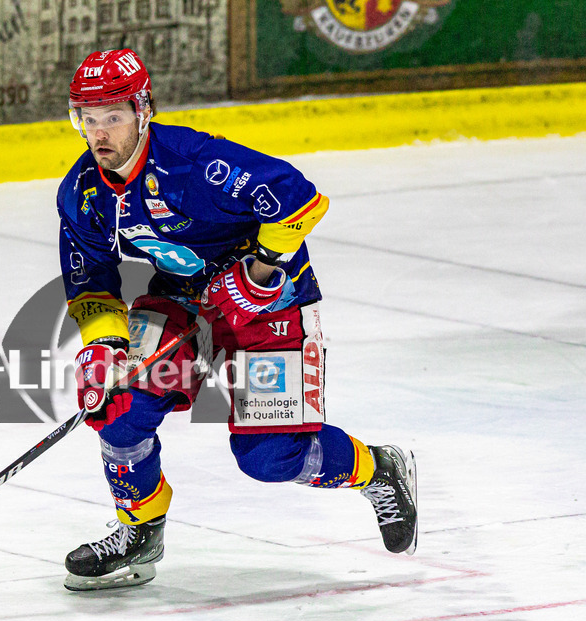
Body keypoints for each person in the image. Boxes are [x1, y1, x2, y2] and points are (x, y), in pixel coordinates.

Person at [56, 49, 418, 591]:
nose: (100, 132)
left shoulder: (194, 163)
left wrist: (261, 269)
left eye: (114, 116)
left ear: (142, 110)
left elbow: (300, 199)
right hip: (181, 298)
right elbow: (92, 281)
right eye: (89, 117)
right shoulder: (83, 193)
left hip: (269, 305)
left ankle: (378, 469)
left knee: (270, 457)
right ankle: (140, 530)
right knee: (119, 403)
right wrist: (104, 348)